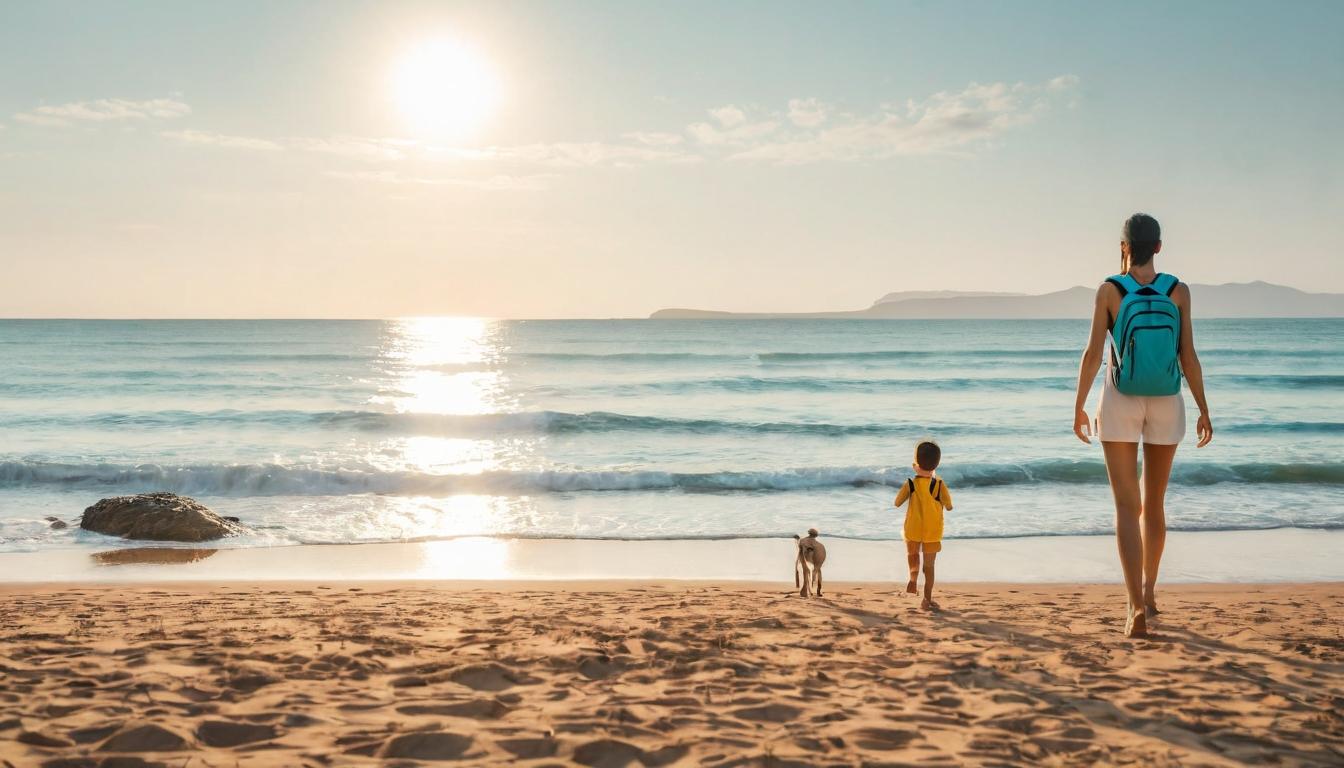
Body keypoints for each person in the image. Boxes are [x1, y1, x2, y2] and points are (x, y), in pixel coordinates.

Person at [1073, 213, 1213, 638]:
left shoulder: (1110, 291)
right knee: (1154, 504)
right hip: (1168, 401)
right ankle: (1150, 591)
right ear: (1158, 247)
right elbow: (1188, 357)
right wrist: (1205, 409)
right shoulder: (1179, 291)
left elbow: (1094, 353)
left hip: (1119, 400)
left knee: (1124, 507)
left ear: (1123, 247)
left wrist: (1079, 405)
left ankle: (1134, 606)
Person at [894, 440, 953, 611]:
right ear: (937, 463)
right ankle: (926, 600)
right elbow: (949, 506)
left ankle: (913, 579)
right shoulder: (939, 484)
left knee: (912, 555)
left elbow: (897, 502)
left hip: (912, 528)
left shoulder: (911, 484)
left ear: (916, 463)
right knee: (929, 567)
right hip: (932, 531)